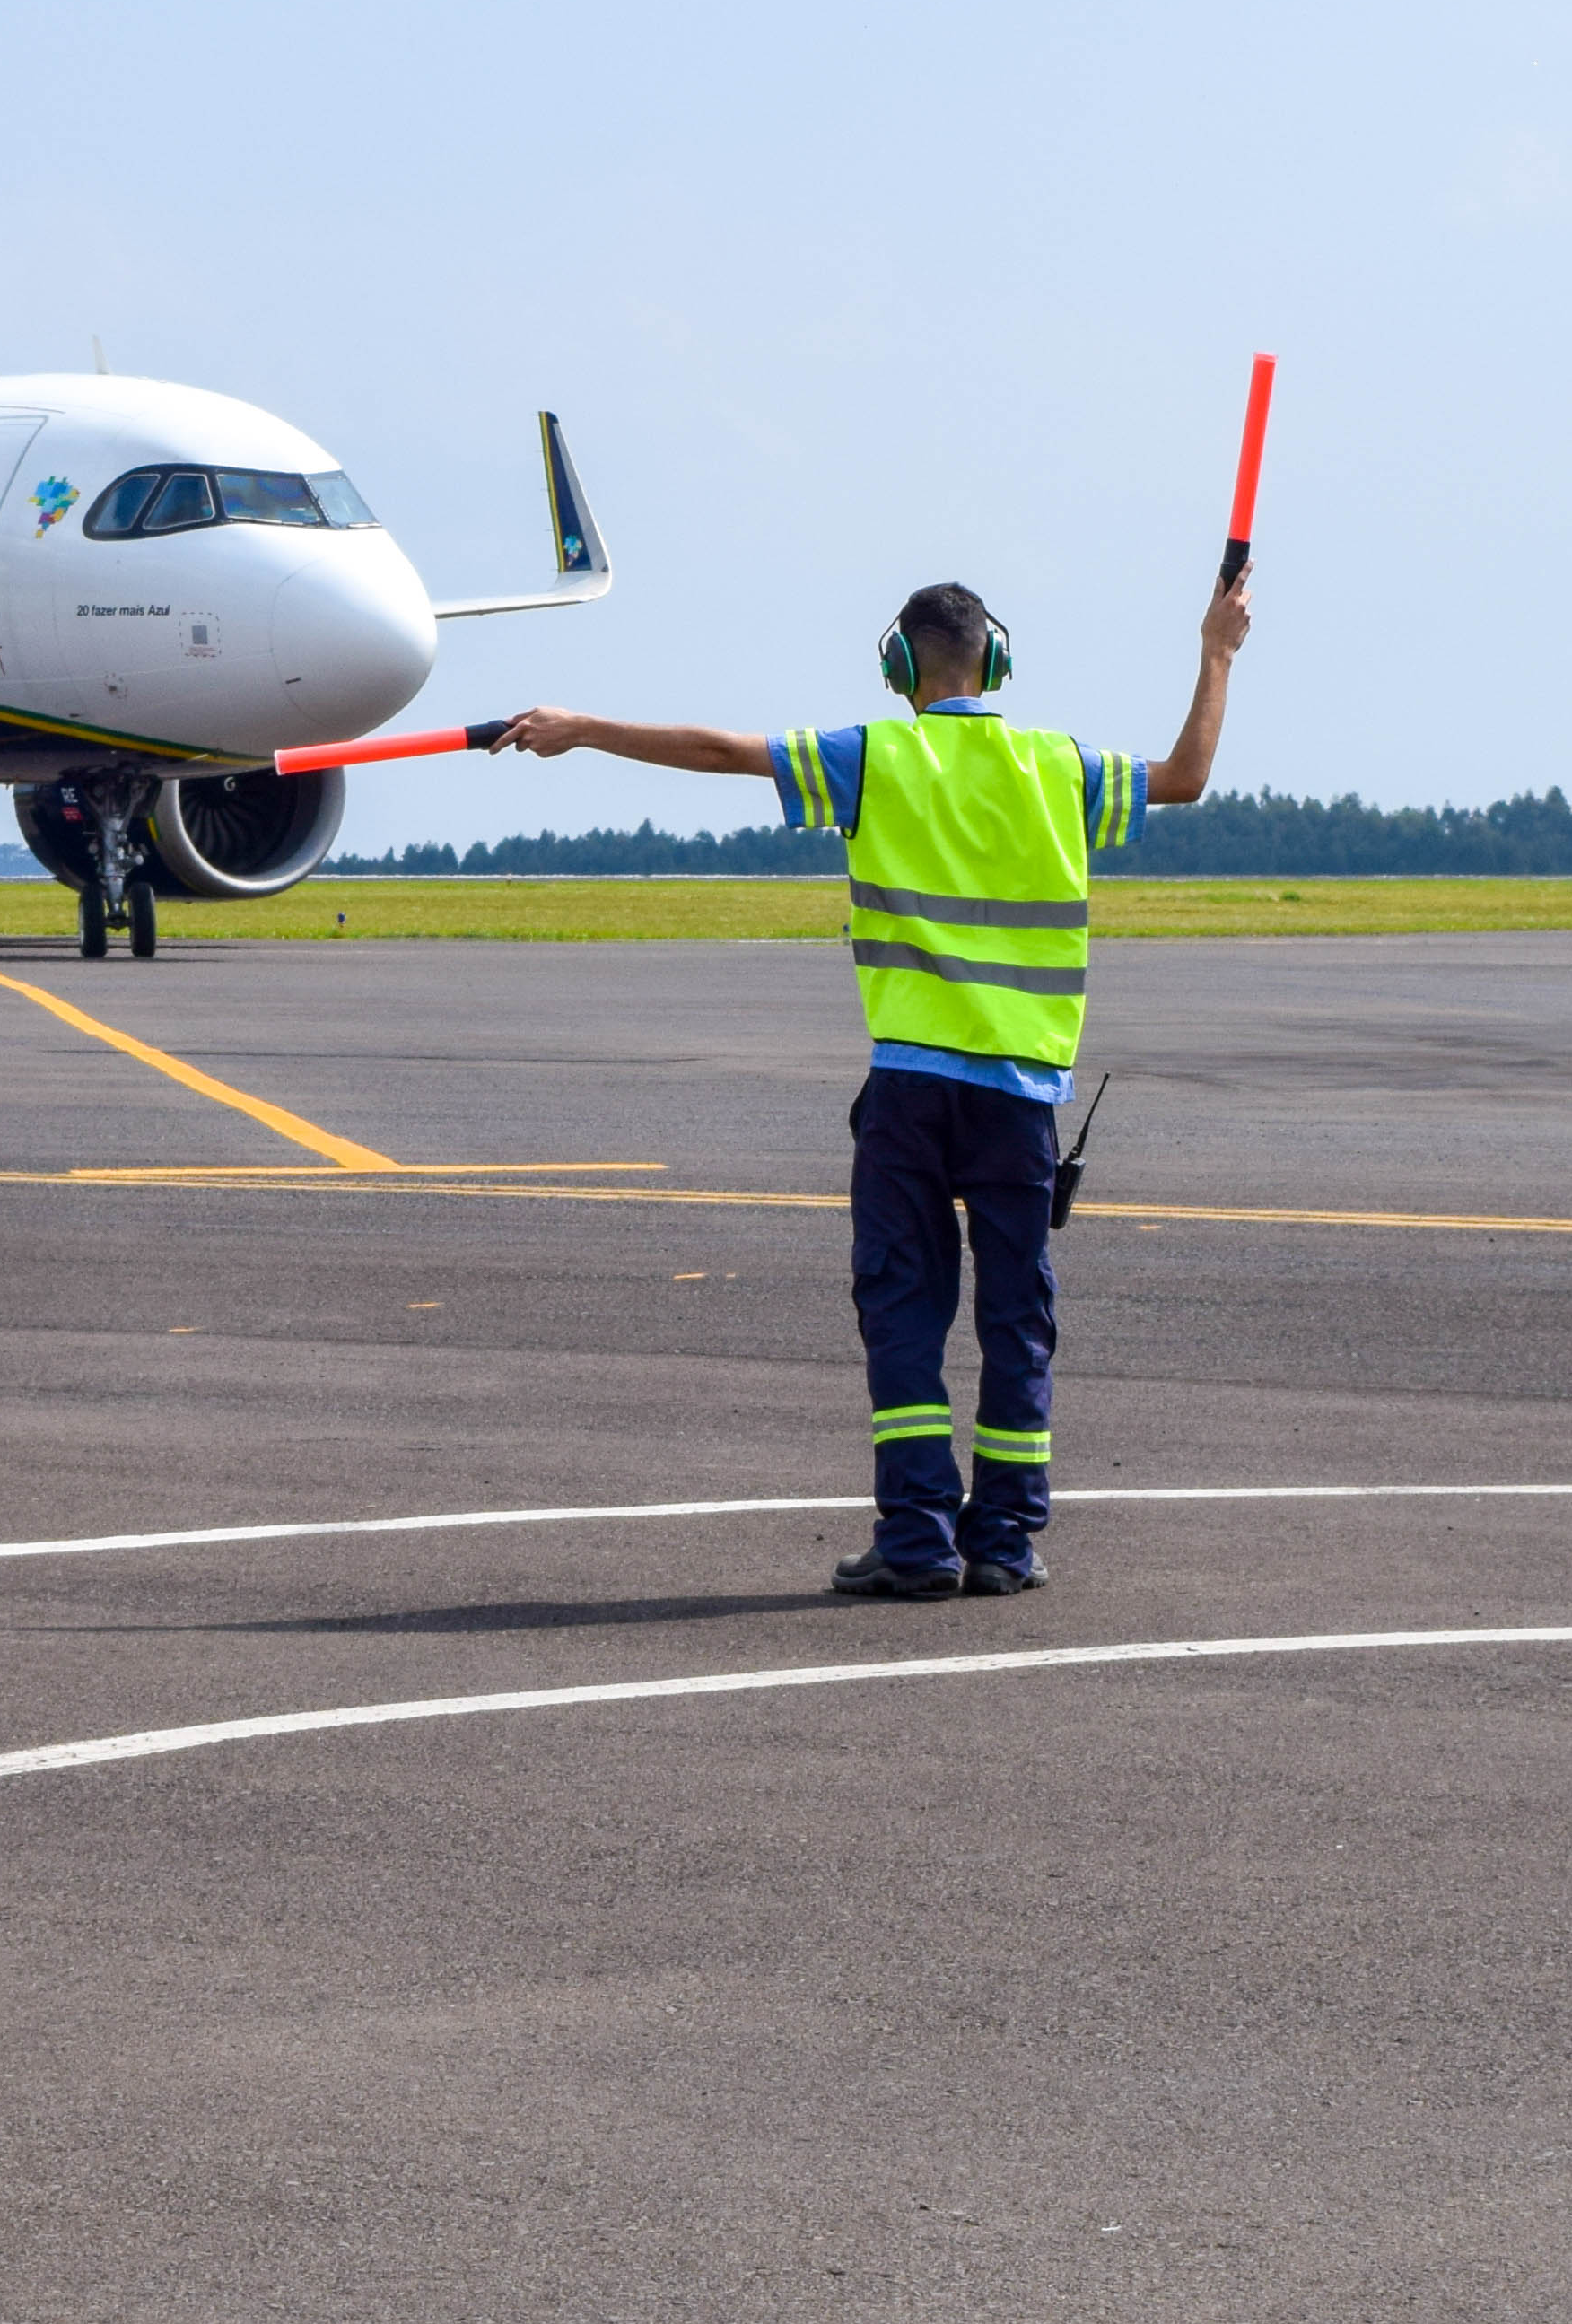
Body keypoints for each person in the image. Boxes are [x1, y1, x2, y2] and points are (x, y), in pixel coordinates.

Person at [497, 566, 1249, 1598]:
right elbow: (1187, 774)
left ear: (901, 666)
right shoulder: (1058, 765)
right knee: (1016, 1314)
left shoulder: (876, 755)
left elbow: (721, 751)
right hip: (1023, 1093)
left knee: (902, 1307)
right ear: (998, 659)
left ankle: (918, 1540)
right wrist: (1216, 650)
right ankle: (1007, 1543)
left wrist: (585, 726)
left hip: (910, 1089)